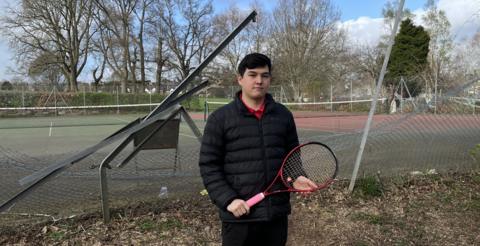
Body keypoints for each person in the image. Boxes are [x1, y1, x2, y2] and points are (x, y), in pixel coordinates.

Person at [199, 53, 317, 246]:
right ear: (240, 79)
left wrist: (297, 177)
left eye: (265, 75)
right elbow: (208, 165)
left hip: (275, 215)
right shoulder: (220, 119)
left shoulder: (283, 115)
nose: (259, 81)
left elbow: (292, 157)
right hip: (238, 217)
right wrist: (229, 200)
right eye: (252, 75)